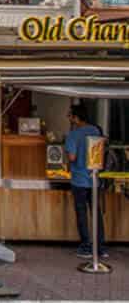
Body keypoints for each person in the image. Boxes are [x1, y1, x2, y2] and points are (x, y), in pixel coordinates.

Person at [66, 104, 108, 258]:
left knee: (82, 213)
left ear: (76, 117)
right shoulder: (96, 131)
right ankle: (100, 248)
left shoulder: (73, 134)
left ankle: (85, 247)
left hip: (79, 180)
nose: (69, 118)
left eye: (70, 116)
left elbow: (72, 157)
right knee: (96, 213)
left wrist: (67, 159)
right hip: (94, 179)